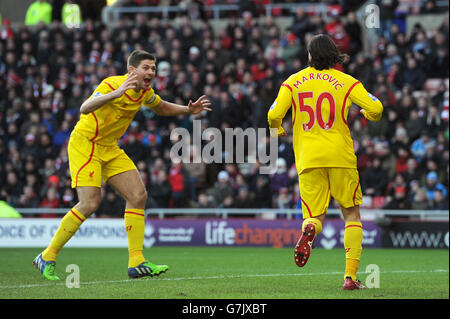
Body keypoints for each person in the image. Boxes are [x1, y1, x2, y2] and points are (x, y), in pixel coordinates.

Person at [33, 49, 212, 280]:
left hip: (109, 147)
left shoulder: (144, 92)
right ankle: (47, 255)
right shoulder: (111, 84)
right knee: (90, 203)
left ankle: (136, 262)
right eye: (146, 68)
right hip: (85, 143)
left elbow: (161, 106)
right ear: (132, 70)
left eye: (153, 69)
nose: (151, 72)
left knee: (138, 195)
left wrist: (188, 110)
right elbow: (85, 108)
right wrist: (117, 93)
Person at [267, 34, 383, 290]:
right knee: (351, 213)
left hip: (308, 157)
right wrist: (365, 113)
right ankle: (350, 278)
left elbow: (273, 114)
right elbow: (377, 109)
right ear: (333, 54)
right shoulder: (347, 82)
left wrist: (279, 131)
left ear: (310, 55)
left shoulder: (293, 81)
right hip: (340, 156)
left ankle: (309, 230)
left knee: (313, 215)